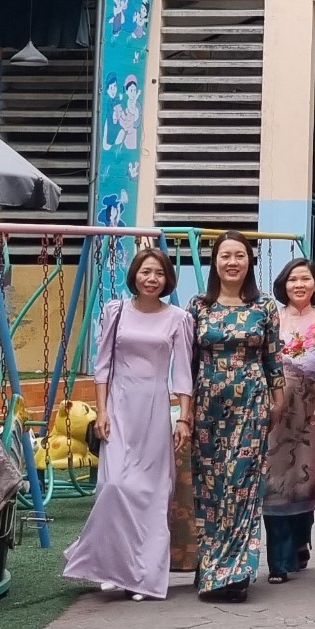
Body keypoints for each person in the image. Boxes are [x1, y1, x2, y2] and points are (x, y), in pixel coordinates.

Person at [62, 247, 192, 600]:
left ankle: (145, 577)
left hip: (154, 408)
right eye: (146, 272)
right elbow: (102, 365)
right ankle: (112, 566)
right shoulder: (115, 311)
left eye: (159, 273)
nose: (152, 279)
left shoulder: (178, 318)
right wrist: (101, 411)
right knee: (114, 486)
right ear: (134, 274)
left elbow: (183, 373)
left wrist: (183, 418)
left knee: (151, 493)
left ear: (167, 279)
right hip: (119, 407)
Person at [172, 232, 280, 602]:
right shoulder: (198, 306)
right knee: (211, 488)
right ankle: (212, 565)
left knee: (242, 484)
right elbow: (186, 363)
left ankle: (236, 572)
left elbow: (273, 359)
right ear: (215, 262)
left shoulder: (264, 306)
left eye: (239, 256)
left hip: (252, 403)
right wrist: (185, 413)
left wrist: (277, 403)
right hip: (207, 406)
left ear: (249, 261)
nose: (232, 262)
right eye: (225, 256)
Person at [264, 258, 315, 584]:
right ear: (284, 284)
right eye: (293, 279)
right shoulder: (272, 318)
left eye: (305, 279)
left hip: (312, 410)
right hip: (277, 407)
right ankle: (278, 561)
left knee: (305, 477)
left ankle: (300, 543)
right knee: (275, 478)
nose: (299, 285)